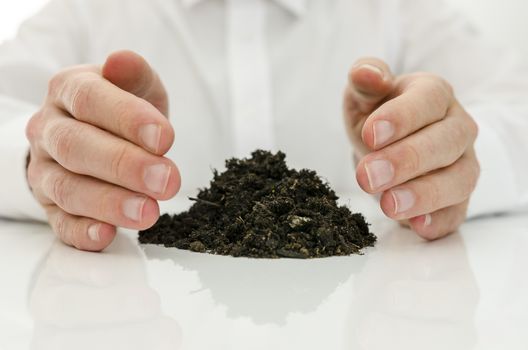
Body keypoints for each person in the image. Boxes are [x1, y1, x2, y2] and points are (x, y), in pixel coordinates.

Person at [0, 0, 526, 252]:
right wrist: (41, 156)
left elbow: (515, 108)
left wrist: (445, 157)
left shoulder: (397, 13)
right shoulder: (84, 14)